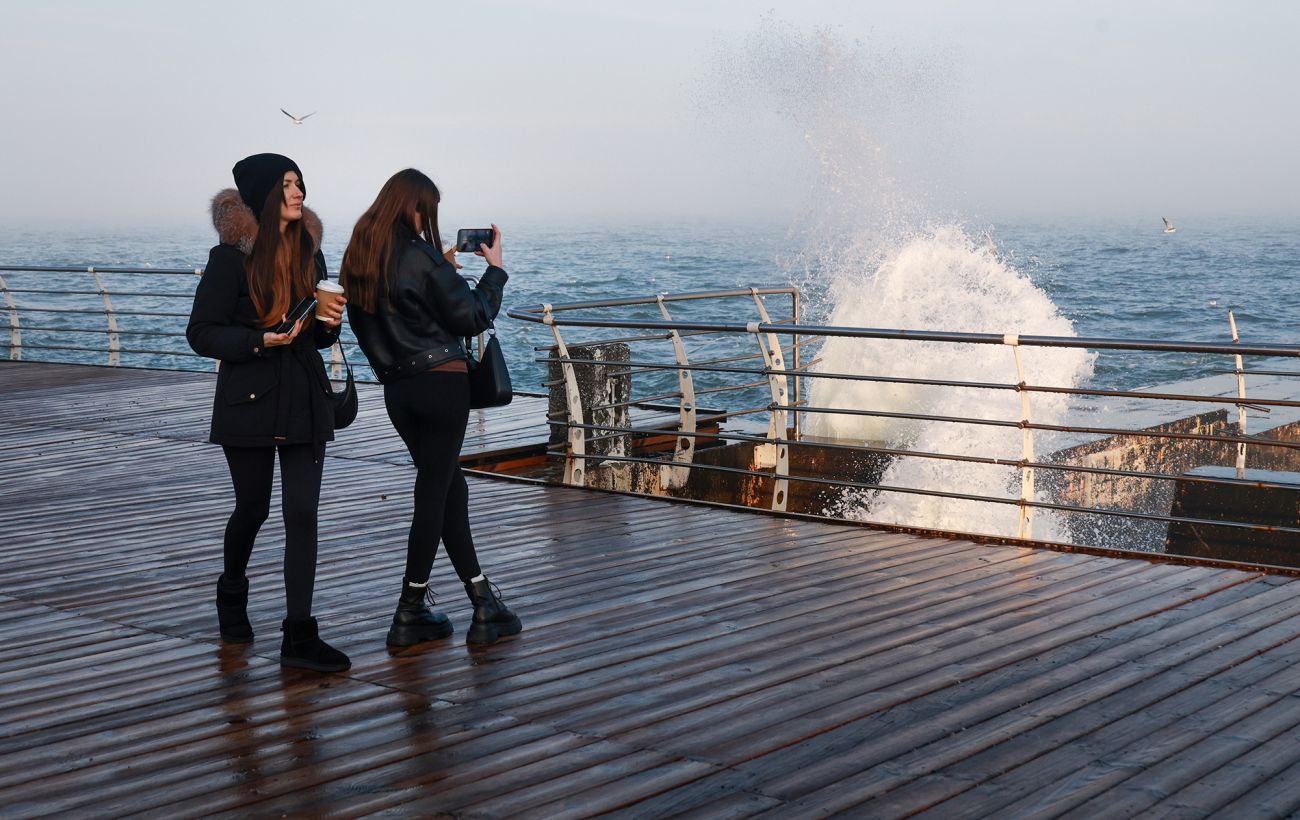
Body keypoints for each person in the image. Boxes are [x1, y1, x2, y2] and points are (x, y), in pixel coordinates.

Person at [340, 168, 521, 647]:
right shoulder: (420, 256)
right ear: (414, 207)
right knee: (433, 493)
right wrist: (495, 270)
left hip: (398, 392)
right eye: (427, 211)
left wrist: (440, 268)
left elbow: (389, 315)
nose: (428, 220)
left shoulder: (359, 256)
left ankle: (482, 601)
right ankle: (410, 608)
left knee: (447, 488)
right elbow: (473, 314)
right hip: (441, 385)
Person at [187, 153, 350, 672]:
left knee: (302, 515)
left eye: (300, 182)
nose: (299, 192)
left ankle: (299, 635)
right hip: (249, 402)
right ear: (265, 194)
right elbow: (201, 333)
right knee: (253, 508)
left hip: (305, 398)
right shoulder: (228, 260)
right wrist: (260, 341)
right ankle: (232, 591)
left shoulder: (310, 252)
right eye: (288, 184)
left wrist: (328, 324)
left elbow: (317, 338)